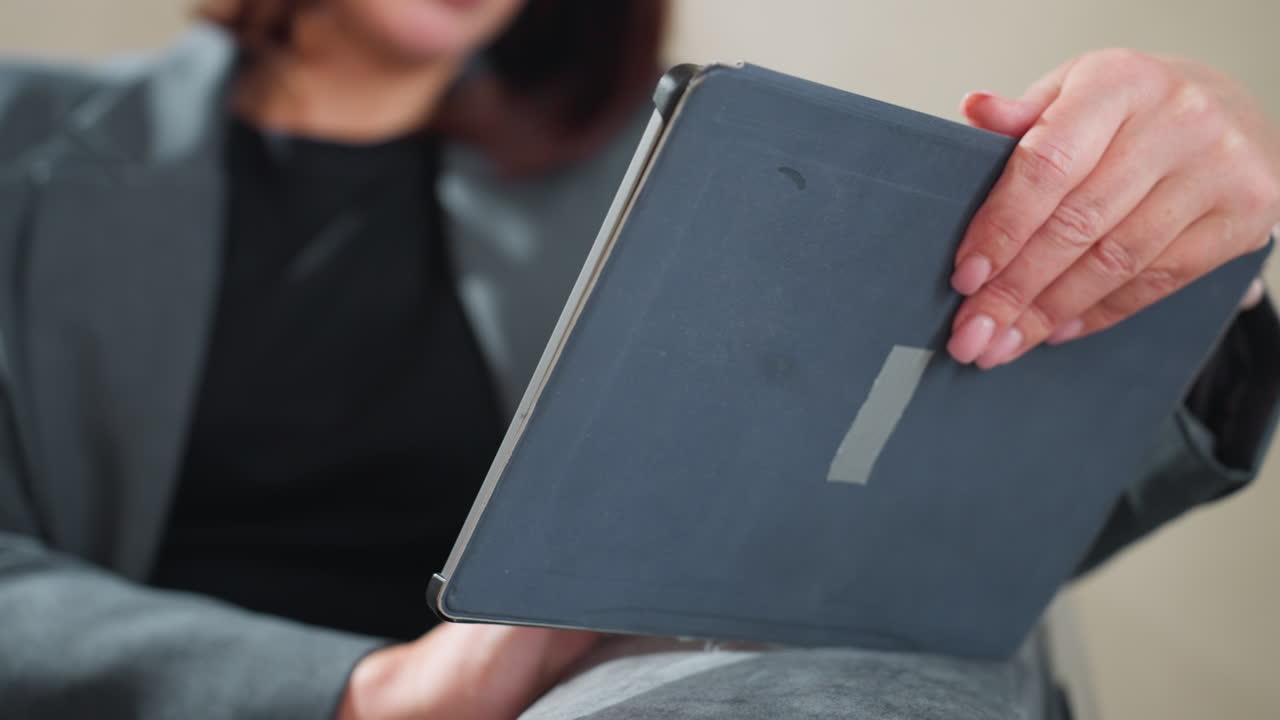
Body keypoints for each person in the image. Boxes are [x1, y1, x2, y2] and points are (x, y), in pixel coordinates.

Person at [0, 1, 1276, 718]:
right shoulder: (25, 138)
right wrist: (359, 692)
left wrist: (1160, 272)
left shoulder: (681, 186)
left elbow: (898, 544)